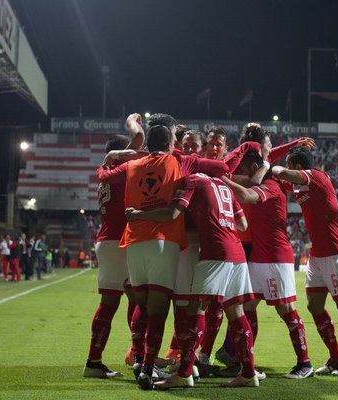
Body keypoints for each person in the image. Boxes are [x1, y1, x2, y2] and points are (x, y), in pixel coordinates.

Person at [99, 123, 229, 390]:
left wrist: (113, 157)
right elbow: (222, 168)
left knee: (143, 305)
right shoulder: (179, 161)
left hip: (134, 241)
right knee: (163, 307)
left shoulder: (134, 164)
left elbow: (105, 175)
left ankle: (142, 359)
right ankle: (148, 366)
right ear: (172, 145)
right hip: (165, 243)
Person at [127, 172, 259, 388]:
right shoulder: (223, 185)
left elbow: (172, 214)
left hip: (215, 251)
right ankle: (249, 373)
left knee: (195, 309)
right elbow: (243, 224)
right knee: (236, 312)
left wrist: (138, 214)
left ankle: (184, 374)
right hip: (236, 251)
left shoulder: (193, 180)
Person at [222, 151, 314, 379]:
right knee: (248, 306)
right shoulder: (267, 181)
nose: (240, 175)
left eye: (243, 170)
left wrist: (222, 178)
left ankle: (305, 363)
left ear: (255, 167)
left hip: (275, 258)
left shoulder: (271, 186)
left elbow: (245, 196)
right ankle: (244, 362)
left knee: (286, 311)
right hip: (258, 259)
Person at [271, 147, 338, 378]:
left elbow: (279, 173)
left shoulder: (316, 176)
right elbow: (279, 180)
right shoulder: (301, 185)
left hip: (336, 252)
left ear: (298, 167)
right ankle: (337, 359)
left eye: (290, 165)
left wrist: (278, 168)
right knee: (314, 306)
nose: (287, 169)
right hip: (318, 254)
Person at [83, 113, 145, 379]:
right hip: (122, 240)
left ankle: (94, 362)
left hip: (106, 240)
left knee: (109, 303)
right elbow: (140, 139)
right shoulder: (121, 169)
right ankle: (139, 355)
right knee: (139, 298)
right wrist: (133, 120)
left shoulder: (105, 172)